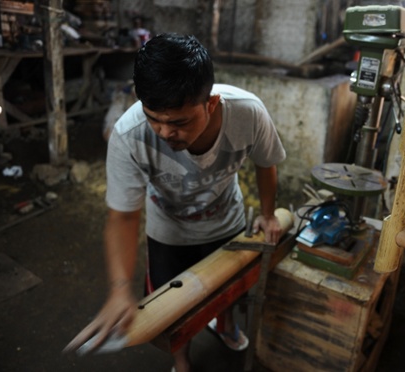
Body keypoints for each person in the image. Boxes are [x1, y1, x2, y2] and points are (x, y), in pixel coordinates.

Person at [64, 33, 286, 372]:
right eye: (155, 118)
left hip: (227, 220)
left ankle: (225, 326)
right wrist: (120, 289)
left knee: (229, 290)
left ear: (210, 104)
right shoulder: (129, 135)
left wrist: (269, 215)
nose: (165, 133)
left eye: (179, 122)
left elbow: (265, 163)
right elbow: (123, 218)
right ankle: (182, 362)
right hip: (168, 232)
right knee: (172, 312)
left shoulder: (248, 114)